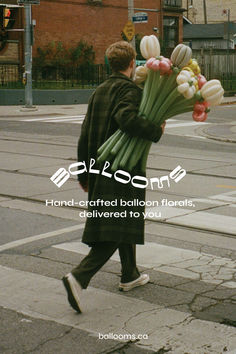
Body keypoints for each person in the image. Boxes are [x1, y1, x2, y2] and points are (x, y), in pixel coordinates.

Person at [62, 41, 165, 313]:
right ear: (132, 64)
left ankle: (129, 274)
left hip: (98, 168)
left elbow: (85, 133)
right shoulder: (128, 89)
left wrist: (84, 172)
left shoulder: (99, 90)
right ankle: (79, 277)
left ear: (110, 64)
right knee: (116, 226)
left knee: (123, 220)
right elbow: (127, 118)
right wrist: (156, 128)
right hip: (121, 170)